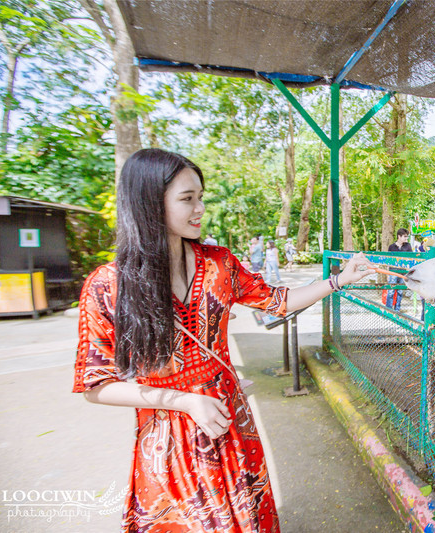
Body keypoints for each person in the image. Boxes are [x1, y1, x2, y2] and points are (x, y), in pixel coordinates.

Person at [72, 148, 375, 532]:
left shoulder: (218, 263)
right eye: (187, 199)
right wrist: (185, 399)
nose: (199, 209)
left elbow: (276, 301)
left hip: (231, 421)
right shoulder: (107, 285)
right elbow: (96, 385)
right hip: (169, 437)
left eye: (200, 197)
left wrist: (339, 280)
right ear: (149, 202)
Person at [385, 228, 412, 311]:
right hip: (393, 271)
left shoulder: (408, 246)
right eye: (405, 236)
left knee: (400, 291)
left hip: (403, 272)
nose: (406, 238)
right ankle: (388, 310)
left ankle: (397, 310)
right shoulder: (391, 247)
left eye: (407, 237)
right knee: (391, 291)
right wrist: (387, 273)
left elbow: (411, 258)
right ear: (399, 236)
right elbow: (388, 261)